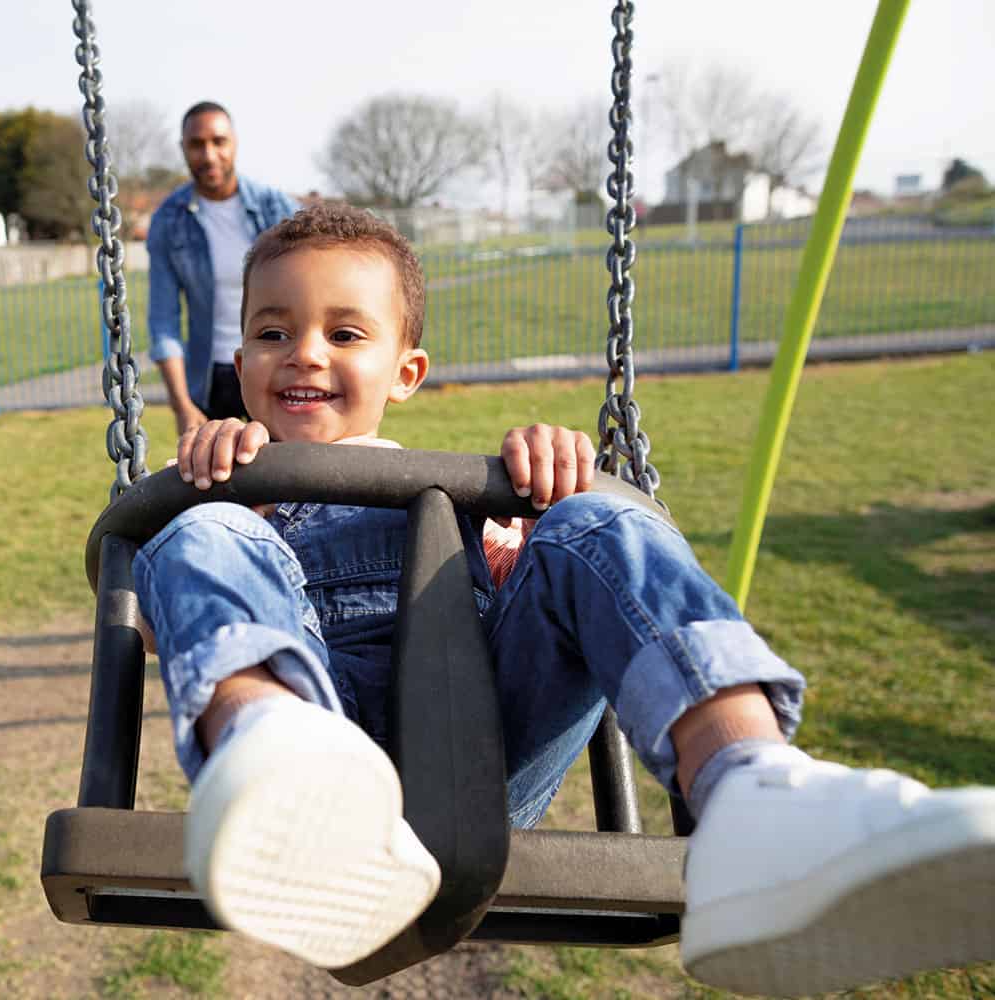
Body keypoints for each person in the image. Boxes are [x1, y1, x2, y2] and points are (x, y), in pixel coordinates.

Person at [132, 202, 995, 996]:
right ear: (240, 364)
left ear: (407, 369)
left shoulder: (470, 503)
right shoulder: (229, 494)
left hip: (474, 759)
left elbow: (551, 601)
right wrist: (209, 494)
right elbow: (168, 600)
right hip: (314, 760)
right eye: (273, 331)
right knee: (198, 535)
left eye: (345, 331)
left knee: (593, 522)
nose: (306, 352)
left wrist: (543, 498)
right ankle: (279, 767)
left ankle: (751, 796)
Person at [146, 101, 298, 434]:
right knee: (211, 479)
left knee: (285, 477)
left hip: (273, 362)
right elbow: (163, 321)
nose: (209, 155)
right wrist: (181, 404)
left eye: (218, 141)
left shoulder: (276, 208)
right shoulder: (169, 221)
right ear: (183, 150)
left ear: (234, 143)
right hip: (210, 376)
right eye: (197, 145)